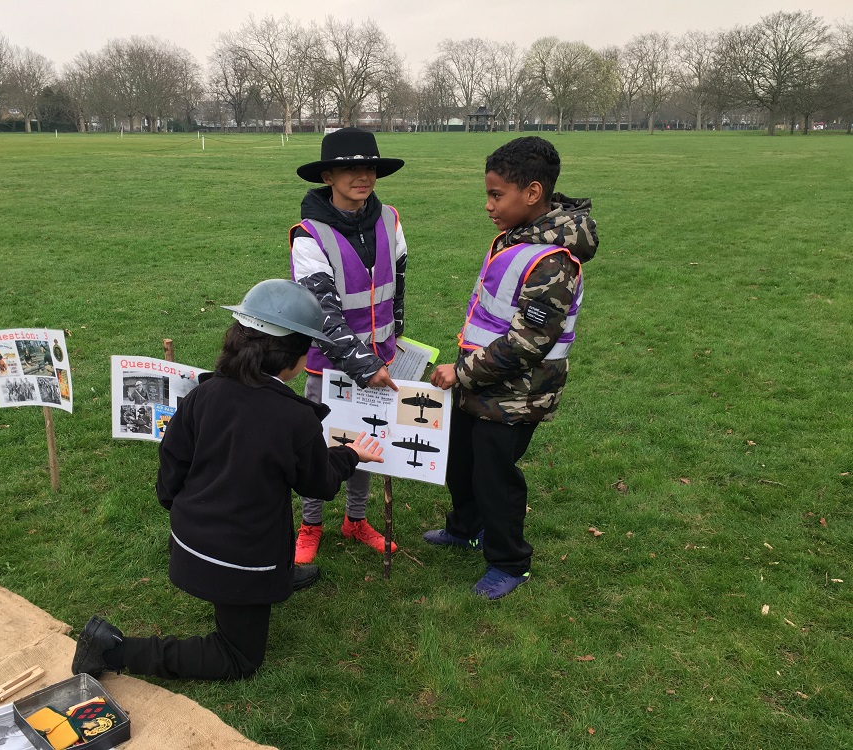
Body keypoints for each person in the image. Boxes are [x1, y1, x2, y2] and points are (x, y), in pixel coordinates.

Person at [72, 279, 383, 681]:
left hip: (188, 540)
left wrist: (185, 512)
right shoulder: (295, 418)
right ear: (291, 358)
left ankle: (280, 576)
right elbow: (318, 483)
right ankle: (113, 651)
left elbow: (172, 463)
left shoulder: (206, 394)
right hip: (238, 559)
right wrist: (348, 455)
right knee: (238, 657)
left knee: (257, 512)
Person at [426, 136, 598, 600]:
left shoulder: (554, 262)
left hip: (519, 394)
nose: (488, 205)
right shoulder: (518, 237)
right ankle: (465, 527)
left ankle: (509, 562)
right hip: (481, 381)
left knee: (493, 475)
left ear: (534, 193)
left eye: (496, 195)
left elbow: (528, 343)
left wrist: (459, 374)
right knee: (459, 460)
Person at [290, 127, 407, 563]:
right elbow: (323, 313)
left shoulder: (391, 219)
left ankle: (355, 519)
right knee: (319, 445)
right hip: (329, 364)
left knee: (367, 439)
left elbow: (397, 289)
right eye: (350, 168)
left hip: (380, 359)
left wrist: (395, 338)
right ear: (327, 176)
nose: (363, 176)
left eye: (370, 167)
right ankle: (311, 524)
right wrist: (363, 364)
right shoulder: (308, 235)